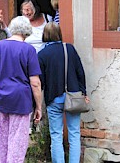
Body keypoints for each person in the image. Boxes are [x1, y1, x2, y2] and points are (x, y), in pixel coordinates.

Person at [0, 16, 43, 163]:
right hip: (21, 101)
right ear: (27, 31)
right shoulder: (29, 50)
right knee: (17, 143)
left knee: (0, 142)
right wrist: (39, 106)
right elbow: (35, 83)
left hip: (0, 99)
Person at [37, 22, 89, 163]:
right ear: (59, 33)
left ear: (45, 35)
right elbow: (80, 72)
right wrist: (83, 92)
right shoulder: (69, 49)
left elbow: (40, 81)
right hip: (73, 97)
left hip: (54, 98)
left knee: (56, 135)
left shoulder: (42, 54)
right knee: (74, 133)